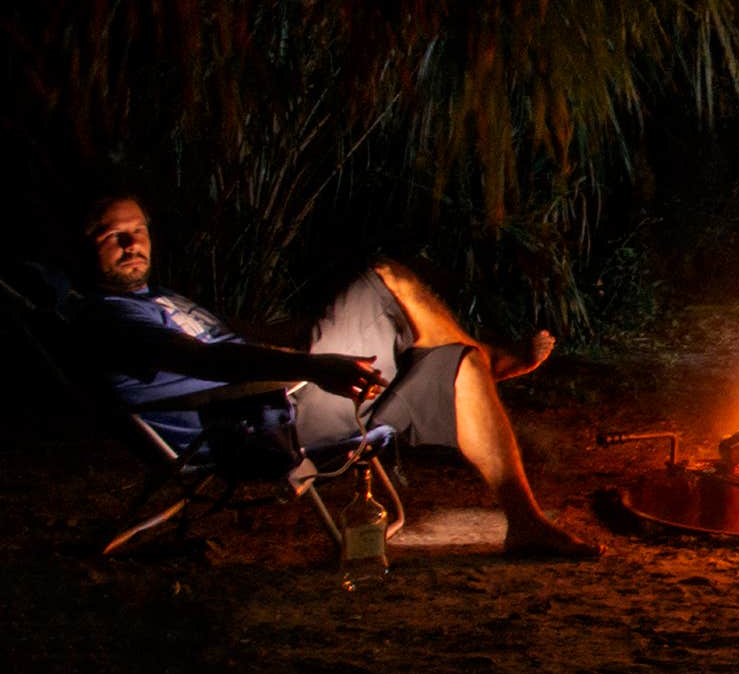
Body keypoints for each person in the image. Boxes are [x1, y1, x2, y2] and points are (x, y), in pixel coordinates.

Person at [76, 194, 597, 559]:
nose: (131, 244)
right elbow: (210, 363)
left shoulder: (160, 299)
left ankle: (525, 524)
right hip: (262, 424)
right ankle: (495, 361)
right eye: (112, 236)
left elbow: (231, 340)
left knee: (462, 364)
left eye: (137, 231)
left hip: (284, 396)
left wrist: (302, 341)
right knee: (385, 276)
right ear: (85, 247)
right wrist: (313, 366)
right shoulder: (111, 318)